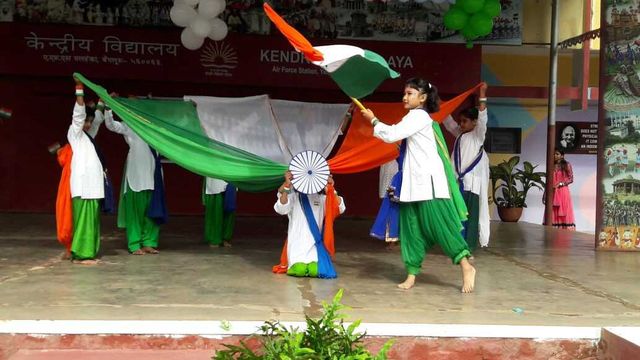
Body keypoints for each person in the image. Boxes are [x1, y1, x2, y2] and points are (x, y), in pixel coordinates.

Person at [361, 78, 476, 292]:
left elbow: (393, 134)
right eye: (404, 93)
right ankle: (412, 273)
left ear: (422, 98)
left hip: (429, 184)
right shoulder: (413, 118)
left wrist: (374, 120)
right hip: (413, 183)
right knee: (411, 230)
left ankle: (466, 266)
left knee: (442, 228)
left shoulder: (420, 116)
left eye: (410, 93)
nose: (405, 97)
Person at [104, 97, 166, 255]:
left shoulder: (155, 130)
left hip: (154, 178)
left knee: (152, 211)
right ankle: (134, 244)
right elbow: (110, 125)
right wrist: (108, 107)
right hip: (136, 176)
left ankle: (149, 242)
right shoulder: (130, 126)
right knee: (135, 213)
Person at [443, 82, 490, 250]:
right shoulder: (460, 135)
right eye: (460, 121)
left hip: (471, 186)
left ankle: (467, 249)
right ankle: (456, 246)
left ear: (474, 123)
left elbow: (483, 118)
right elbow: (448, 122)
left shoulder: (477, 136)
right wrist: (438, 102)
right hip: (457, 185)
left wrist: (482, 95)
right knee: (456, 216)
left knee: (470, 218)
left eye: (464, 121)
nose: (461, 124)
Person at [274, 171, 345, 278]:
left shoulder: (322, 199)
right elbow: (281, 208)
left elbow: (339, 207)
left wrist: (331, 187)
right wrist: (287, 184)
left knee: (314, 271)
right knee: (299, 270)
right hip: (296, 245)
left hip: (314, 246)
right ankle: (294, 264)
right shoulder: (294, 197)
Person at [67, 77, 105, 264]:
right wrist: (79, 89)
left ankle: (88, 252)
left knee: (92, 221)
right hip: (82, 185)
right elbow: (79, 115)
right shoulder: (74, 133)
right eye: (86, 121)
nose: (88, 124)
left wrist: (103, 100)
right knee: (83, 222)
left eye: (89, 121)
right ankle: (81, 256)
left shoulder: (89, 136)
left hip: (93, 185)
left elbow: (97, 120)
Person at [203, 177, 236, 247]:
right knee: (215, 211)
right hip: (215, 181)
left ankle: (226, 238)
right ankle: (214, 239)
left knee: (229, 210)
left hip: (230, 177)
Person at [552, 150, 576, 229]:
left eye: (557, 154)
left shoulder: (567, 165)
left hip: (562, 191)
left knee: (563, 210)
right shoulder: (551, 165)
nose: (555, 155)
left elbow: (571, 178)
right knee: (553, 211)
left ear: (562, 155)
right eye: (554, 154)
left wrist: (561, 184)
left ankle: (564, 233)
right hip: (553, 191)